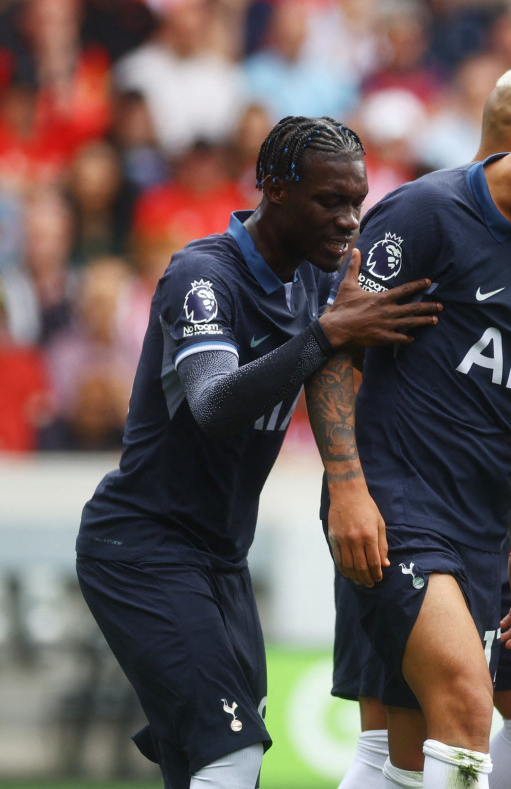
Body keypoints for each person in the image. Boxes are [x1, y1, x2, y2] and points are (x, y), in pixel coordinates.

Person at [74, 115, 443, 789]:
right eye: (331, 201)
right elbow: (214, 406)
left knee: (212, 760)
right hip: (144, 545)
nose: (348, 219)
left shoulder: (315, 283)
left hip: (221, 555)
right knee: (230, 751)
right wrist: (324, 336)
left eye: (356, 202)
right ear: (273, 187)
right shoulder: (203, 276)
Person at [307, 79, 511, 789]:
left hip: (483, 520)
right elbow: (339, 351)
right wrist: (345, 488)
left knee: (404, 755)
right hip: (399, 505)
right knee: (465, 703)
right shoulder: (427, 215)